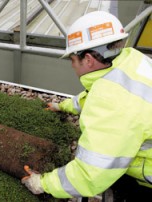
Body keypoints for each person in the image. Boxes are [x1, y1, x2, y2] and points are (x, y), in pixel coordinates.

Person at [21, 11, 152, 200]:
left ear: (88, 60)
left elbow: (91, 173)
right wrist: (63, 106)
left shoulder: (112, 101)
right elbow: (100, 94)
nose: (72, 66)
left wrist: (42, 183)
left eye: (73, 60)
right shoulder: (132, 60)